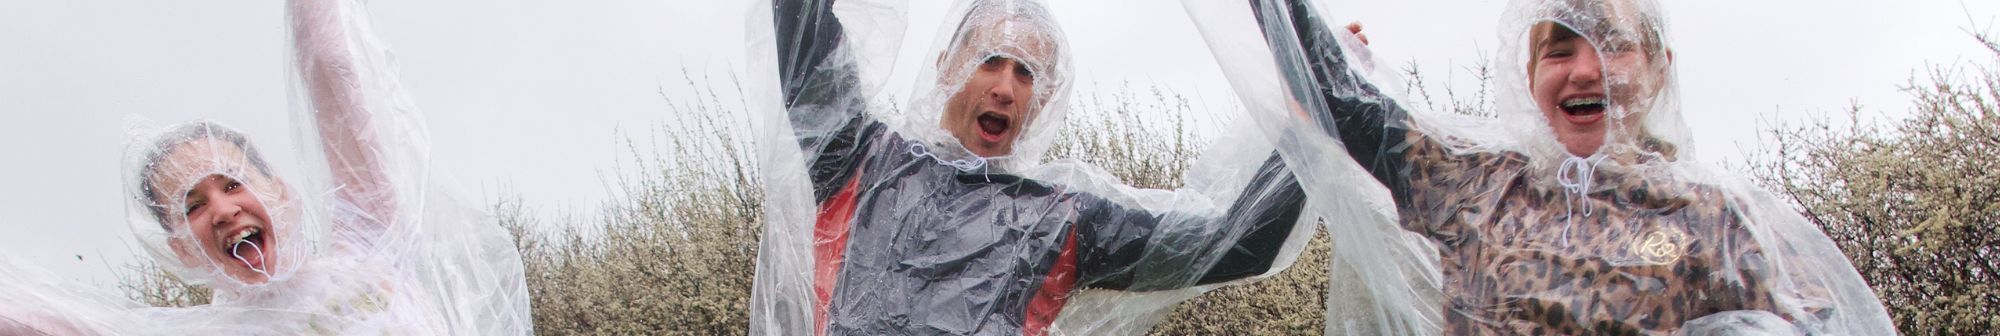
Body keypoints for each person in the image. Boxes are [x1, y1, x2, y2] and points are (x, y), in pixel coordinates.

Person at [1199, 0, 1897, 333]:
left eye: (1615, 45)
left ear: (1657, 69)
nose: (1587, 69)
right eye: (1560, 51)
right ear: (1528, 75)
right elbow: (1350, 108)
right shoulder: (1479, 185)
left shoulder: (1717, 218)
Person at [750, 0, 1324, 334]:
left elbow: (1238, 241)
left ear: (1044, 99)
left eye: (1026, 73)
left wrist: (1311, 112)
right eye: (989, 62)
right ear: (949, 67)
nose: (1005, 87)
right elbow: (804, 31)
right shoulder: (860, 161)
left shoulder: (1060, 221)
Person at [0, 0, 531, 333]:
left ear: (279, 192)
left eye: (231, 183)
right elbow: (51, 323)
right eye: (193, 205)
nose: (224, 210)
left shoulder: (370, 239)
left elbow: (332, 71)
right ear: (183, 249)